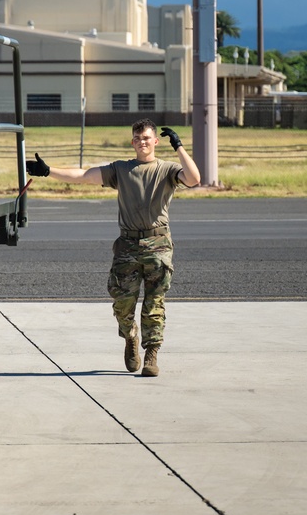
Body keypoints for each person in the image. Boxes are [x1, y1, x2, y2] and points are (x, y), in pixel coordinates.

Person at [25, 119, 201, 377]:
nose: (142, 142)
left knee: (154, 303)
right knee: (122, 303)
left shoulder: (167, 169)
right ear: (132, 142)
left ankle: (152, 354)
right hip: (128, 245)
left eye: (147, 138)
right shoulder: (121, 169)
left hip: (158, 245)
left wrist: (179, 146)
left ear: (156, 141)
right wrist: (49, 171)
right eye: (138, 138)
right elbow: (84, 176)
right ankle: (131, 337)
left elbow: (194, 179)